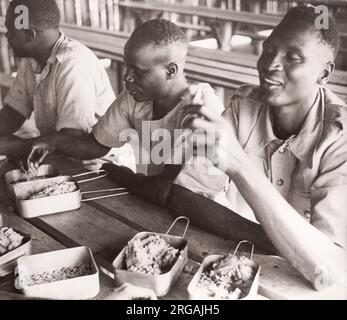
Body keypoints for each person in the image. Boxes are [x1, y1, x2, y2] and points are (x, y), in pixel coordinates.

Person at [178, 5, 347, 290]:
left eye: (293, 58)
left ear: (324, 73)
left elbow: (328, 272)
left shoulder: (338, 137)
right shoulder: (242, 109)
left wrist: (239, 165)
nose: (270, 65)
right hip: (241, 271)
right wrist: (274, 237)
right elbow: (185, 196)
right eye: (268, 50)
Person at [26, 18, 224, 175]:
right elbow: (96, 145)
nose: (126, 77)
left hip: (201, 215)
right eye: (126, 66)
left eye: (138, 71)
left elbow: (168, 189)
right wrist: (52, 142)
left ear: (171, 71)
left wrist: (118, 173)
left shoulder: (202, 109)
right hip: (158, 205)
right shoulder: (136, 99)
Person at [0, 0, 117, 164]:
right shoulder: (29, 59)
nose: (7, 36)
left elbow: (71, 138)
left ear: (30, 35)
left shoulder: (73, 64)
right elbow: (14, 112)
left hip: (100, 164)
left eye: (11, 30)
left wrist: (7, 147)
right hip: (60, 152)